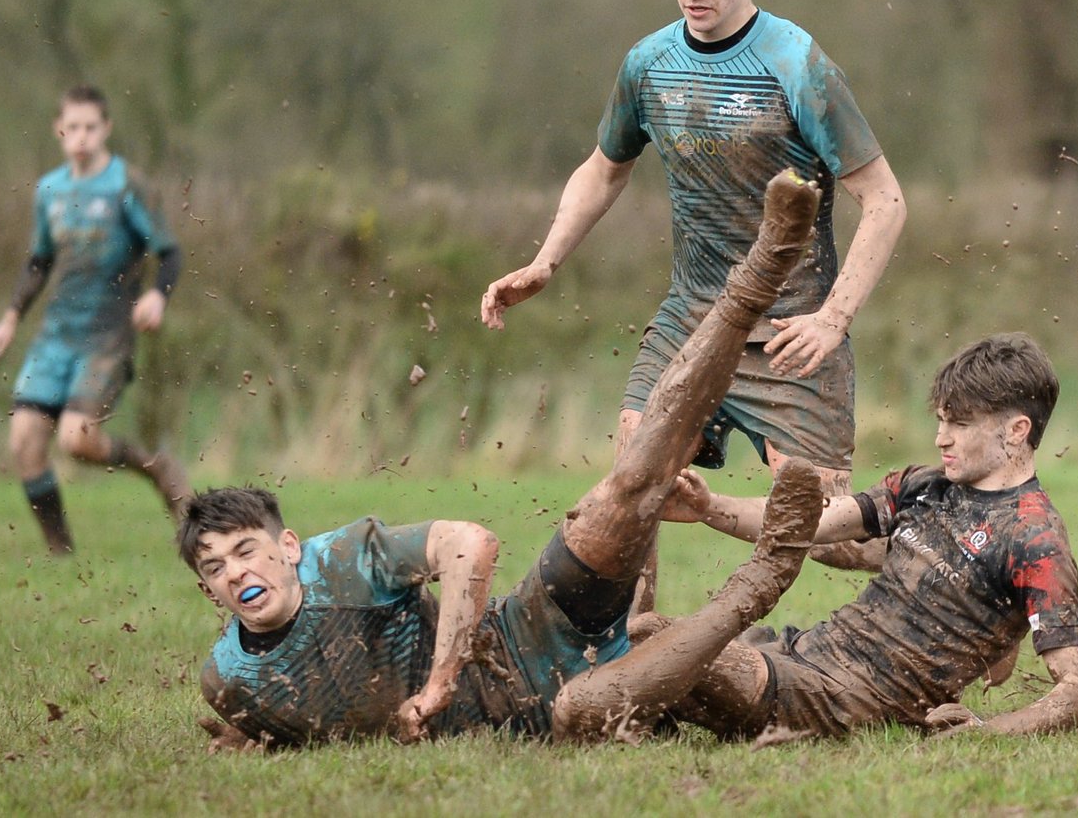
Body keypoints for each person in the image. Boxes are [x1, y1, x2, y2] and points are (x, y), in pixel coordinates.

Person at [183, 172, 827, 751]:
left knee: (631, 483)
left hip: (531, 631)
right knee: (659, 674)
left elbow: (471, 544)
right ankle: (718, 622)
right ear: (206, 587)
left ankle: (758, 276)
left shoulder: (347, 559)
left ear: (287, 545)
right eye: (214, 567)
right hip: (565, 709)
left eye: (245, 550)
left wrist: (439, 684)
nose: (236, 572)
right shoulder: (231, 683)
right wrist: (251, 737)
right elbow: (293, 711)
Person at [481, 0, 906, 510]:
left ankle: (945, 564)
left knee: (823, 528)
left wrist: (832, 320)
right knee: (631, 487)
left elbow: (886, 202)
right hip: (692, 314)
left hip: (792, 329)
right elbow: (604, 169)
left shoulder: (798, 65)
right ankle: (634, 616)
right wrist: (546, 261)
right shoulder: (648, 63)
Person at [552, 333, 1078, 741]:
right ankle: (627, 719)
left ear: (1016, 430)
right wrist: (708, 507)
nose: (941, 438)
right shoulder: (923, 484)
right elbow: (812, 522)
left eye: (959, 424)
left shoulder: (1034, 538)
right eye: (940, 420)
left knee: (657, 653)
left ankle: (572, 720)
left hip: (841, 700)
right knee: (648, 632)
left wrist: (988, 729)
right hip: (799, 652)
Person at [0, 85, 190, 554]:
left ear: (106, 130)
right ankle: (61, 555)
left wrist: (158, 297)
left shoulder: (126, 184)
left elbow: (170, 251)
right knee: (24, 443)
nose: (81, 137)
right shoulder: (50, 190)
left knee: (77, 441)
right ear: (59, 131)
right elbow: (38, 261)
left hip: (107, 334)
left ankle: (155, 466)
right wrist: (9, 320)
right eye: (72, 127)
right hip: (56, 332)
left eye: (90, 128)